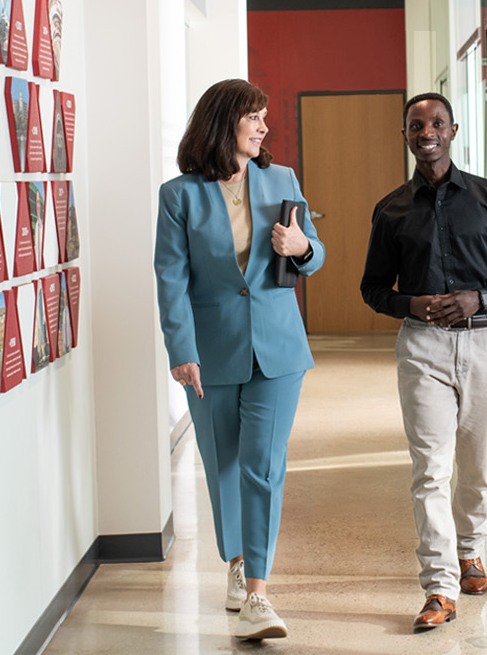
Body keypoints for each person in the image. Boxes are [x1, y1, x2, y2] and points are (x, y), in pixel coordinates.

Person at [154, 78, 324, 641]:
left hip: (277, 346)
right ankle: (234, 563)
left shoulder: (281, 180)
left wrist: (300, 250)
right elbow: (171, 278)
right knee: (223, 463)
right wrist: (181, 351)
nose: (264, 127)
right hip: (211, 351)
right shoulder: (178, 195)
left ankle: (258, 593)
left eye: (264, 119)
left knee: (262, 466)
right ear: (225, 122)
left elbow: (313, 252)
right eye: (254, 117)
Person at [360, 92, 487, 632]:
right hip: (423, 350)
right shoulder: (390, 209)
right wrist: (409, 304)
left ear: (453, 131)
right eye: (416, 125)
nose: (426, 131)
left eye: (436, 123)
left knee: (480, 466)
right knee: (430, 471)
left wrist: (478, 298)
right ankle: (439, 586)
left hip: (486, 345)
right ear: (406, 135)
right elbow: (372, 289)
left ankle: (470, 549)